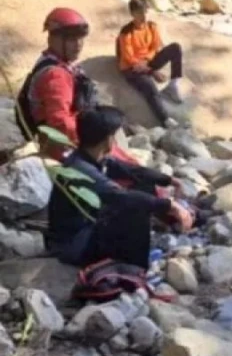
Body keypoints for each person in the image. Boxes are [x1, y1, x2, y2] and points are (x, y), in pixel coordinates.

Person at [47, 106, 193, 269]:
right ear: (107, 139)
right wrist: (168, 204)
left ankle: (177, 221)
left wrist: (169, 180)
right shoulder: (79, 168)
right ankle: (135, 267)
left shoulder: (94, 157)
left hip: (91, 222)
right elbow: (119, 196)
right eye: (114, 136)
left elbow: (132, 170)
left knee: (142, 183)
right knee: (134, 207)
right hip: (74, 244)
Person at [16, 8, 130, 163]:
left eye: (81, 39)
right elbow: (60, 122)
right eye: (71, 39)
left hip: (73, 143)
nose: (78, 45)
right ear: (52, 38)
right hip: (67, 150)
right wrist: (93, 146)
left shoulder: (58, 64)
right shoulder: (55, 75)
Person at [117, 0, 184, 126]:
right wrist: (151, 72)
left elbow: (155, 47)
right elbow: (128, 57)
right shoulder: (126, 32)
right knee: (150, 86)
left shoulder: (152, 26)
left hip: (146, 62)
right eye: (140, 13)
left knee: (175, 48)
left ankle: (173, 85)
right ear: (132, 14)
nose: (144, 16)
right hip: (131, 68)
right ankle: (165, 120)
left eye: (146, 12)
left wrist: (146, 61)